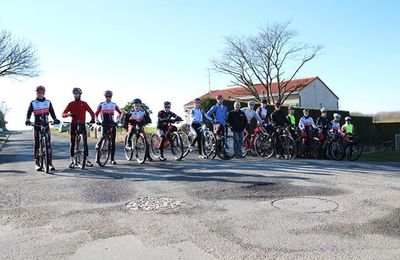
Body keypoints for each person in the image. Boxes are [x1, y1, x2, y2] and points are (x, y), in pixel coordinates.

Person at [25, 86, 60, 171]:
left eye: (42, 92)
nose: (40, 94)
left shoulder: (48, 102)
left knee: (48, 144)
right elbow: (29, 112)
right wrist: (28, 120)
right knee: (37, 143)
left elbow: (52, 111)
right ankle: (37, 163)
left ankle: (50, 163)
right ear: (36, 93)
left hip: (46, 125)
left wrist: (55, 119)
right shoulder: (33, 103)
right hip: (37, 125)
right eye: (38, 92)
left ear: (44, 93)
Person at [62, 87, 95, 168]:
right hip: (73, 124)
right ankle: (72, 160)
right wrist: (69, 114)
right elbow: (63, 114)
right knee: (72, 142)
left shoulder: (84, 103)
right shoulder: (71, 103)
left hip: (82, 124)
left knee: (85, 142)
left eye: (77, 94)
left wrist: (92, 119)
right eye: (74, 94)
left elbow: (91, 112)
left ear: (80, 94)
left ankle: (86, 160)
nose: (76, 95)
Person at [95, 90, 122, 165]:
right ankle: (98, 153)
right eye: (106, 96)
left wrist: (118, 121)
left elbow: (121, 112)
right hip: (104, 123)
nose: (108, 98)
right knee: (103, 139)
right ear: (104, 97)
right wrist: (97, 120)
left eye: (109, 96)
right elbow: (96, 114)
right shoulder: (101, 104)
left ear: (111, 97)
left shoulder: (114, 104)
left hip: (112, 124)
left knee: (112, 142)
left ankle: (112, 159)